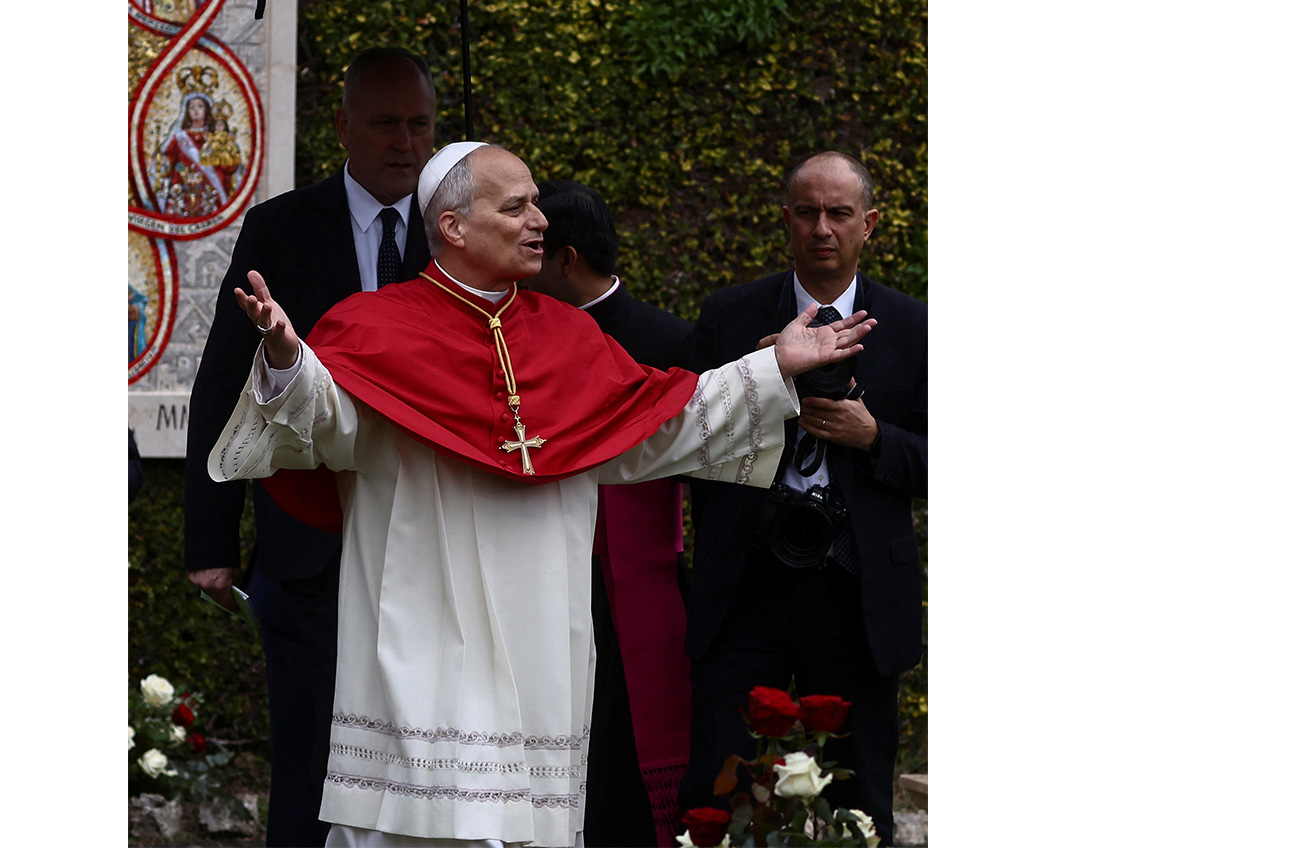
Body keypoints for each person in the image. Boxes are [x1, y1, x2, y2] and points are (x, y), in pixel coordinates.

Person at [209, 142, 876, 848]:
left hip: (543, 626)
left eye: (536, 204)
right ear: (454, 227)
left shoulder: (570, 335)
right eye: (517, 206)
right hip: (424, 621)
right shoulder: (372, 327)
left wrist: (775, 368)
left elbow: (657, 425)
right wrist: (288, 362)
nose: (540, 222)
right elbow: (328, 428)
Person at [183, 47, 436, 848]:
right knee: (309, 765)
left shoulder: (462, 232)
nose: (406, 141)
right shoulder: (282, 229)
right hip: (309, 550)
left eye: (422, 123)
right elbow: (226, 383)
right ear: (343, 128)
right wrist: (211, 540)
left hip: (433, 543)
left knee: (425, 765)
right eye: (387, 123)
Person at [679, 152, 927, 846]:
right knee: (718, 793)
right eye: (808, 212)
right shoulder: (729, 318)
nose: (823, 228)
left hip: (857, 591)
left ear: (869, 224)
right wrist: (757, 386)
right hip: (744, 588)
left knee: (860, 798)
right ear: (785, 220)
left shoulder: (915, 329)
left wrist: (875, 436)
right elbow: (682, 442)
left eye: (839, 213)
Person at [521, 180, 694, 847]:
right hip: (543, 568)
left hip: (632, 578)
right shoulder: (520, 337)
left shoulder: (668, 339)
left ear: (564, 259)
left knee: (620, 743)